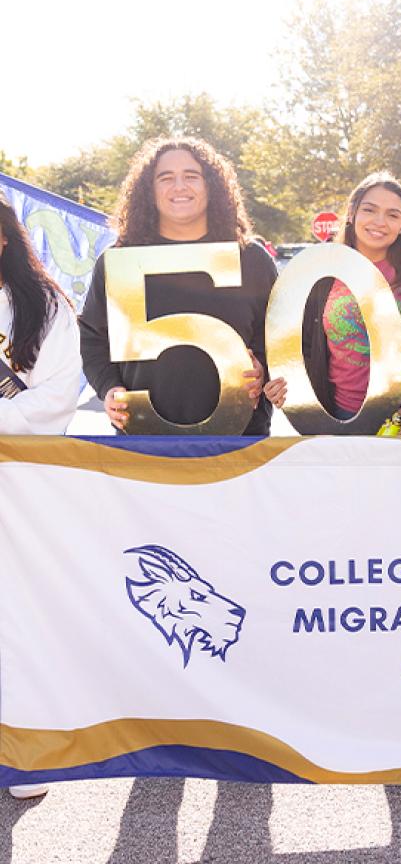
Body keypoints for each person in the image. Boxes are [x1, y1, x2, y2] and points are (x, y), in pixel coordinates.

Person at [79, 138, 274, 433]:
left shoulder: (251, 258)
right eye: (165, 178)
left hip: (240, 439)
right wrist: (109, 388)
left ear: (211, 185)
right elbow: (93, 339)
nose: (179, 186)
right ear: (149, 190)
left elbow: (280, 338)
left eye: (191, 176)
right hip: (144, 437)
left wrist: (263, 368)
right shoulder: (119, 262)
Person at [0, 193, 82, 799]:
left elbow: (53, 399)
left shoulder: (45, 305)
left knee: (18, 615)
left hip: (21, 481)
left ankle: (25, 750)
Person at [265, 173, 401, 435]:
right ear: (351, 213)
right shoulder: (320, 274)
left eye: (393, 214)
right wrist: (284, 385)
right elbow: (302, 347)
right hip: (337, 417)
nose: (380, 222)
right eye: (370, 210)